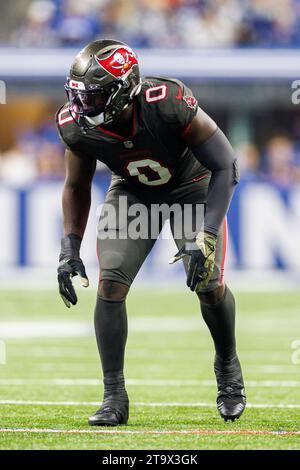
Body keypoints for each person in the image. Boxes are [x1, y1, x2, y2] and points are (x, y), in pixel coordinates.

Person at [56, 39, 246, 426]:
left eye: (92, 98)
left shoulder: (168, 101)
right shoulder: (75, 127)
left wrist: (206, 234)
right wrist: (69, 247)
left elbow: (226, 166)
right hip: (133, 192)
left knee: (207, 282)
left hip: (192, 186)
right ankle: (114, 396)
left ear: (122, 91)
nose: (81, 108)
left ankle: (227, 367)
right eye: (79, 96)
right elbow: (75, 186)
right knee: (111, 283)